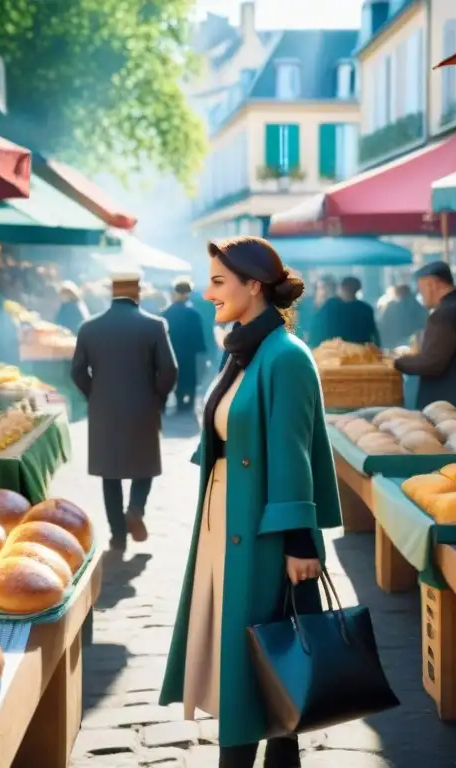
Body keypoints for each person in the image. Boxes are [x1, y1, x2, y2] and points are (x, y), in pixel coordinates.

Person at [160, 236, 341, 767]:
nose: (207, 291)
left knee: (265, 664)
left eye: (218, 281)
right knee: (249, 665)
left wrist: (300, 542)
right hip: (225, 525)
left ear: (253, 285)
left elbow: (294, 457)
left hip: (262, 535)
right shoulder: (244, 348)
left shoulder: (284, 356)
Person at [70, 271, 178, 552]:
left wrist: (93, 394)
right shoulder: (155, 325)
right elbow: (169, 369)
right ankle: (136, 509)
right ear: (138, 292)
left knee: (111, 473)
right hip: (143, 405)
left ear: (112, 292)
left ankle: (118, 536)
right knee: (145, 465)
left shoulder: (89, 327)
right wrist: (157, 396)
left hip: (104, 408)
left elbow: (77, 371)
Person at [395, 261, 456, 410]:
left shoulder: (443, 315)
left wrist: (397, 363)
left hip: (446, 404)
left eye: (421, 290)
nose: (421, 296)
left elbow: (432, 362)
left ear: (432, 285)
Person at [162, 278, 207, 413]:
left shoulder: (167, 313)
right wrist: (202, 351)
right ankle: (187, 403)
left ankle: (176, 402)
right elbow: (198, 336)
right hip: (189, 353)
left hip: (171, 351)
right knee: (189, 378)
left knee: (173, 377)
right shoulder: (193, 314)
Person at [311, 276, 380, 347]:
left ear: (341, 288)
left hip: (332, 352)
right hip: (359, 353)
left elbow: (316, 329)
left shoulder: (330, 305)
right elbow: (374, 334)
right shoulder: (365, 308)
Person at [376, 283, 428, 350]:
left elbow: (383, 326)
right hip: (413, 343)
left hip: (394, 343)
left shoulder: (391, 306)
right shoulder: (419, 306)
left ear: (397, 294)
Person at [297, 274, 336, 347]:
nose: (325, 292)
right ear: (316, 290)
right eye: (322, 288)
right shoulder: (306, 304)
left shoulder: (337, 309)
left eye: (328, 288)